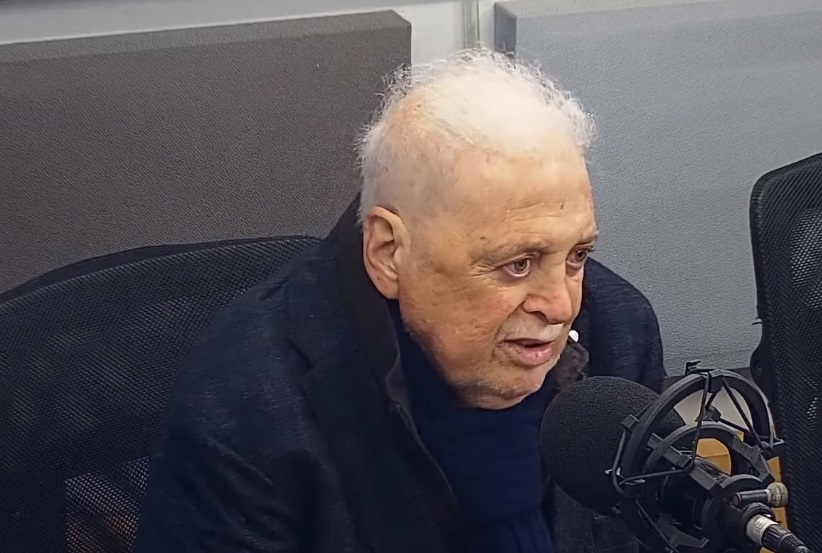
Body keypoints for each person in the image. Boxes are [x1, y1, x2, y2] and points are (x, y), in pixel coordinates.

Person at [136, 49, 665, 553]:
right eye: (517, 264)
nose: (561, 305)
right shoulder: (245, 410)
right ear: (389, 253)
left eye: (576, 255)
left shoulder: (621, 331)